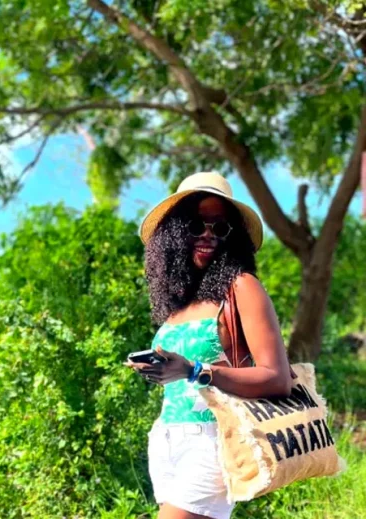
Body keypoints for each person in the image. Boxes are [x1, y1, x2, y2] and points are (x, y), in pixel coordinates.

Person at [126, 172, 293, 519]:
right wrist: (161, 368)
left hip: (211, 440)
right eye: (195, 225)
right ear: (174, 232)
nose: (207, 235)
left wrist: (193, 370)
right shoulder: (179, 300)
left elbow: (278, 379)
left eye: (220, 228)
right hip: (166, 440)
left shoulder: (241, 286)